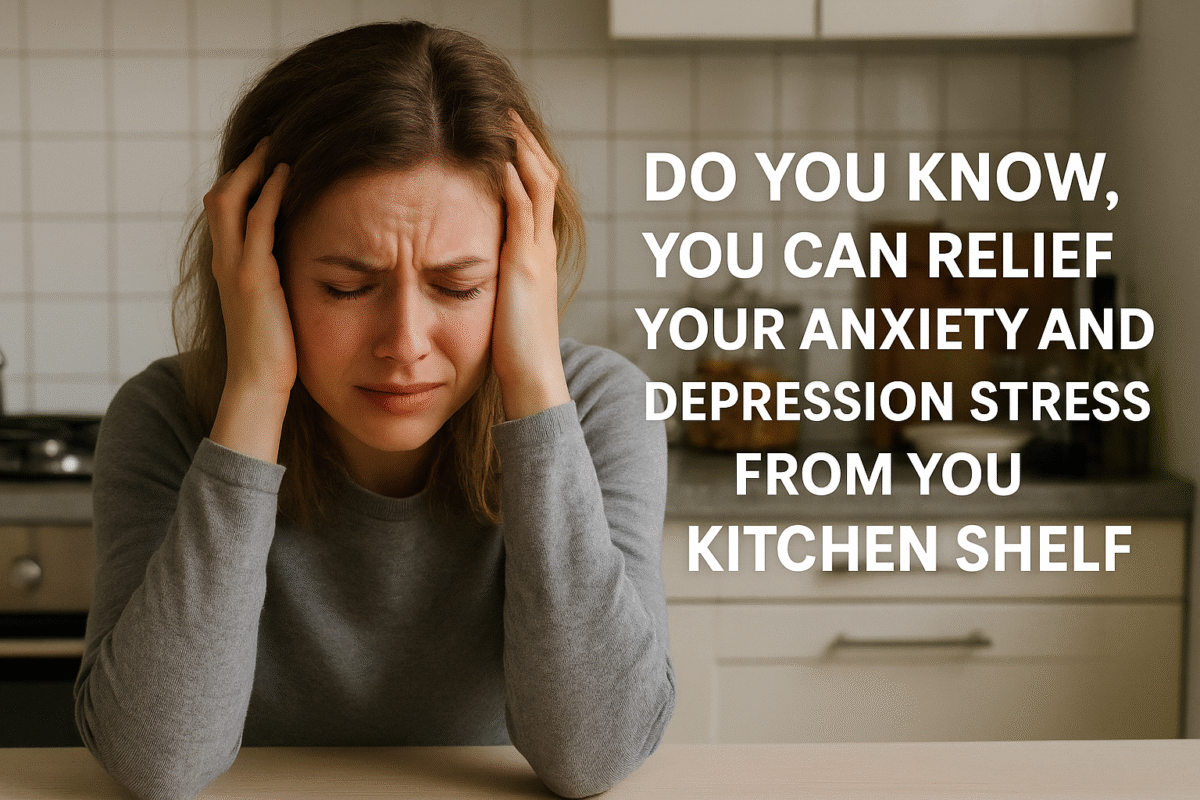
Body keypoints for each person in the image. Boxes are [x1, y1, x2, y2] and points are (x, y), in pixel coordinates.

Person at [74, 21, 674, 800]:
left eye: (459, 287)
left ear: (519, 273)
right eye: (347, 287)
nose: (404, 344)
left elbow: (595, 756)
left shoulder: (595, 408)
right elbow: (157, 763)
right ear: (259, 270)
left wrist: (530, 377)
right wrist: (256, 393)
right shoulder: (166, 416)